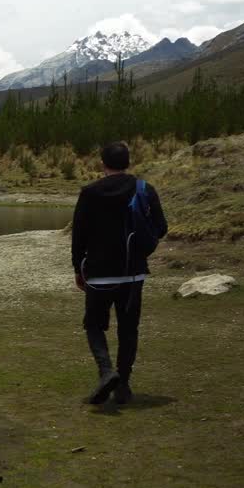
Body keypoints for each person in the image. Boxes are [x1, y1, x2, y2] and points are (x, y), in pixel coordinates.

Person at [70, 141, 168, 405]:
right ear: (128, 162)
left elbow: (78, 235)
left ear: (103, 164)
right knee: (128, 330)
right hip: (133, 273)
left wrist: (77, 269)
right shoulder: (144, 189)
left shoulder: (89, 192)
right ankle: (122, 384)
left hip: (99, 274)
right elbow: (161, 227)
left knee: (93, 325)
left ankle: (106, 371)